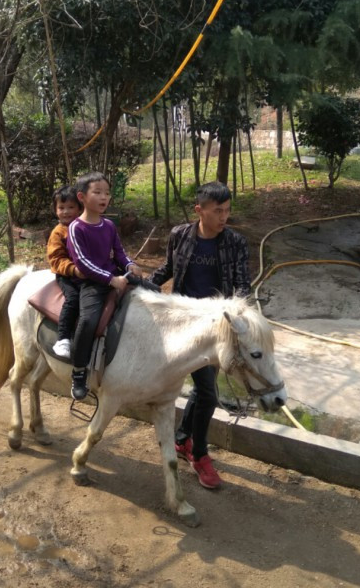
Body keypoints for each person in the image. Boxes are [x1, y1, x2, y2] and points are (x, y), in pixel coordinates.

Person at [148, 181, 250, 489]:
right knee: (204, 391)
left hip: (213, 330)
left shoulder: (235, 242)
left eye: (227, 210)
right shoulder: (180, 235)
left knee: (205, 391)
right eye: (218, 211)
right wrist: (141, 285)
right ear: (199, 211)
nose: (224, 217)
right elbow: (168, 268)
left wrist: (242, 320)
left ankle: (194, 449)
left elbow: (243, 288)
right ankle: (187, 445)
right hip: (181, 325)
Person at [66, 171, 142, 400]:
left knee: (152, 293)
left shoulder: (108, 225)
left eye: (107, 193)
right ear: (82, 197)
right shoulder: (76, 228)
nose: (104, 197)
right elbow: (83, 262)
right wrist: (110, 279)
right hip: (92, 283)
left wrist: (129, 265)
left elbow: (119, 252)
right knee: (88, 320)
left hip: (115, 276)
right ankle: (79, 371)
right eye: (97, 192)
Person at [46, 186, 84, 359]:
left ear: (79, 208)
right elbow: (56, 259)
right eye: (61, 208)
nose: (66, 211)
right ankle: (63, 338)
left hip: (87, 273)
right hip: (67, 275)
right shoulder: (58, 233)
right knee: (73, 299)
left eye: (70, 207)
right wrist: (73, 269)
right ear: (55, 210)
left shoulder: (84, 227)